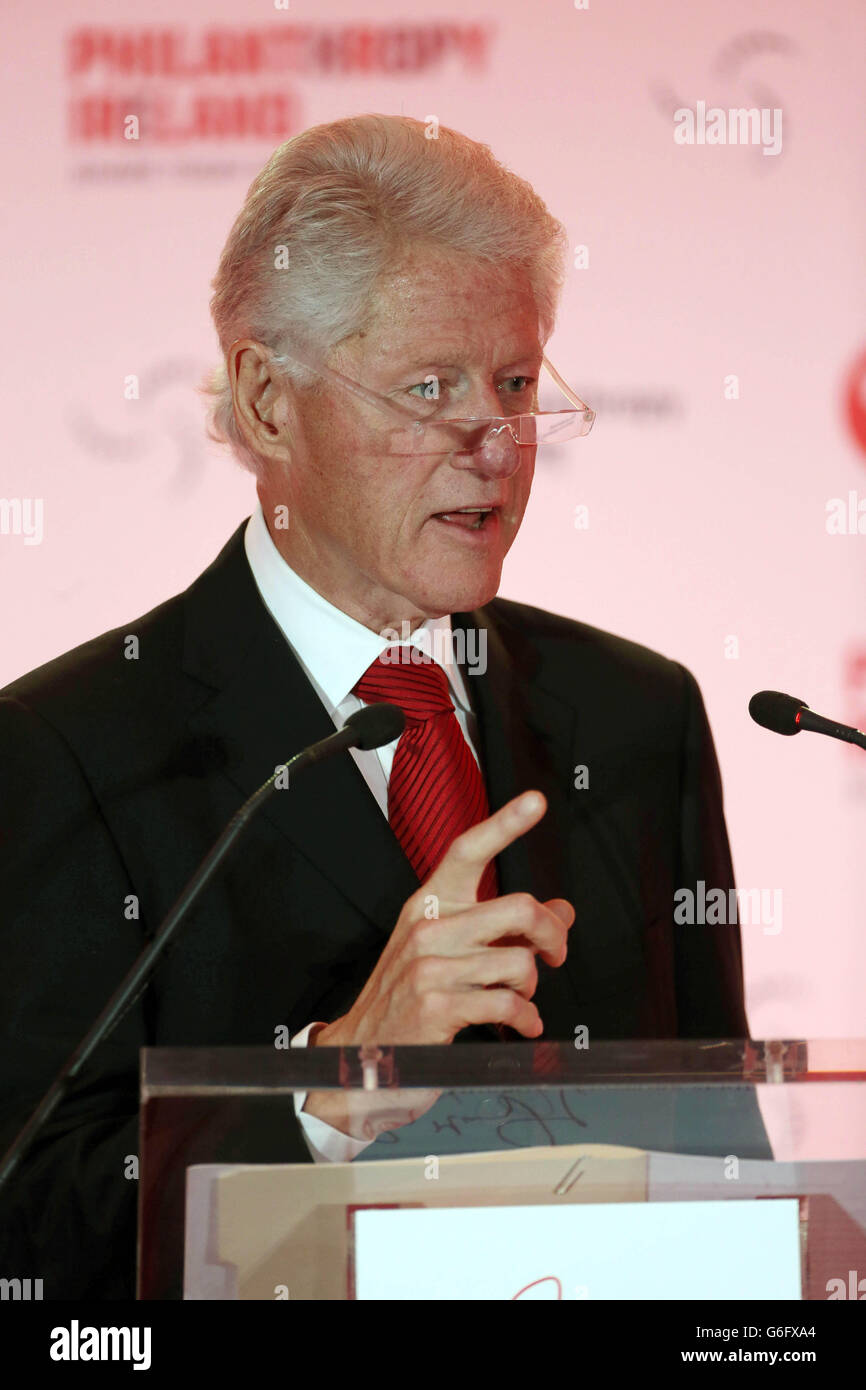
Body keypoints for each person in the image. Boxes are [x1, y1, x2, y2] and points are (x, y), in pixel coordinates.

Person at [0, 114, 752, 1299]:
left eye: (511, 383)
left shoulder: (635, 716)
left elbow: (723, 1172)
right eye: (425, 387)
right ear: (264, 402)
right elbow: (31, 1223)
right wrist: (332, 1083)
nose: (490, 444)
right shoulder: (70, 749)